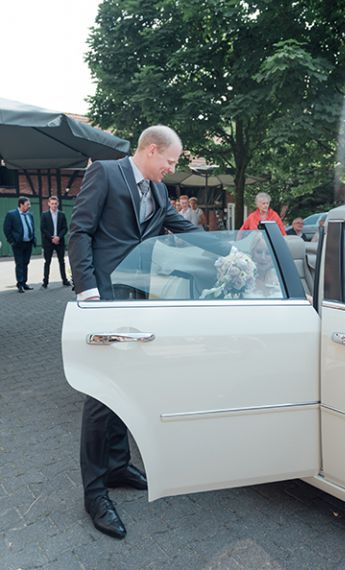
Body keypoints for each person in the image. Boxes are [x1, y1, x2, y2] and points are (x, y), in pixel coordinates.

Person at [69, 125, 199, 540]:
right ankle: (94, 492)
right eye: (171, 161)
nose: (171, 169)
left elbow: (185, 228)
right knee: (100, 394)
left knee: (131, 387)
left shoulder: (159, 193)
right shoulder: (106, 173)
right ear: (151, 149)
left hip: (138, 300)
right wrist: (88, 292)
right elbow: (81, 231)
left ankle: (119, 465)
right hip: (102, 300)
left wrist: (245, 244)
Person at [3, 197, 36, 293]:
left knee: (26, 263)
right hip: (18, 244)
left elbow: (32, 227)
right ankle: (20, 283)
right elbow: (6, 229)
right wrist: (11, 241)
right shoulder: (11, 214)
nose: (29, 206)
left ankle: (24, 283)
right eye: (27, 204)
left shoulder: (30, 215)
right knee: (19, 264)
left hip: (28, 243)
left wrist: (33, 237)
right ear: (21, 205)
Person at [41, 196, 71, 288]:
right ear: (49, 204)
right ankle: (45, 282)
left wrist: (58, 237)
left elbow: (65, 228)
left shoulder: (62, 214)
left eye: (55, 203)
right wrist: (52, 238)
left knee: (62, 261)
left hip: (59, 241)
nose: (54, 205)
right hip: (48, 242)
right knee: (47, 262)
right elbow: (43, 228)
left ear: (58, 204)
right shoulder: (44, 215)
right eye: (52, 203)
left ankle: (65, 280)